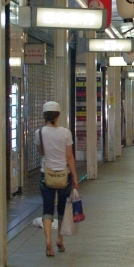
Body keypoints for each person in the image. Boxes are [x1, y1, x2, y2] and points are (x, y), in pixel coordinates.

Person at [35, 101, 79, 257]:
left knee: (47, 209)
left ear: (44, 116)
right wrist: (74, 177)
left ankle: (48, 241)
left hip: (45, 174)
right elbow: (69, 156)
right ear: (58, 115)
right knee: (61, 209)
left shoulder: (39, 132)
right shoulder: (66, 133)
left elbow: (41, 152)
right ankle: (59, 239)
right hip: (63, 175)